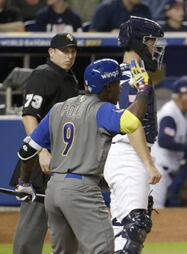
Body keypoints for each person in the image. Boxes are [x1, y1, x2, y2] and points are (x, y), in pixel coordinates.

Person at [15, 58, 153, 253]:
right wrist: (144, 90)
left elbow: (27, 151)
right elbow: (131, 122)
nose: (120, 89)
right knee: (103, 249)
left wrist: (24, 183)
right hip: (82, 191)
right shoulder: (101, 109)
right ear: (108, 87)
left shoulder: (59, 108)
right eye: (116, 85)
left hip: (53, 190)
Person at [9, 32, 79, 254]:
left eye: (73, 51)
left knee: (68, 230)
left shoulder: (69, 77)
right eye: (64, 51)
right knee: (31, 231)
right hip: (43, 164)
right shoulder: (44, 75)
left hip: (64, 161)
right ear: (51, 52)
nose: (69, 56)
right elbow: (29, 115)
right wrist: (39, 152)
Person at [103, 16, 164, 253]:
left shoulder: (119, 74)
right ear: (139, 41)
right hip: (129, 153)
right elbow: (132, 124)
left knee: (120, 229)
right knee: (134, 228)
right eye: (151, 41)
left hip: (121, 153)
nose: (155, 47)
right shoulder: (133, 76)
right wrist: (148, 164)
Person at [150, 75, 187, 208]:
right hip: (157, 170)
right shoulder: (170, 113)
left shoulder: (181, 112)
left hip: (163, 172)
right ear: (183, 96)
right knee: (155, 213)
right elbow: (164, 141)